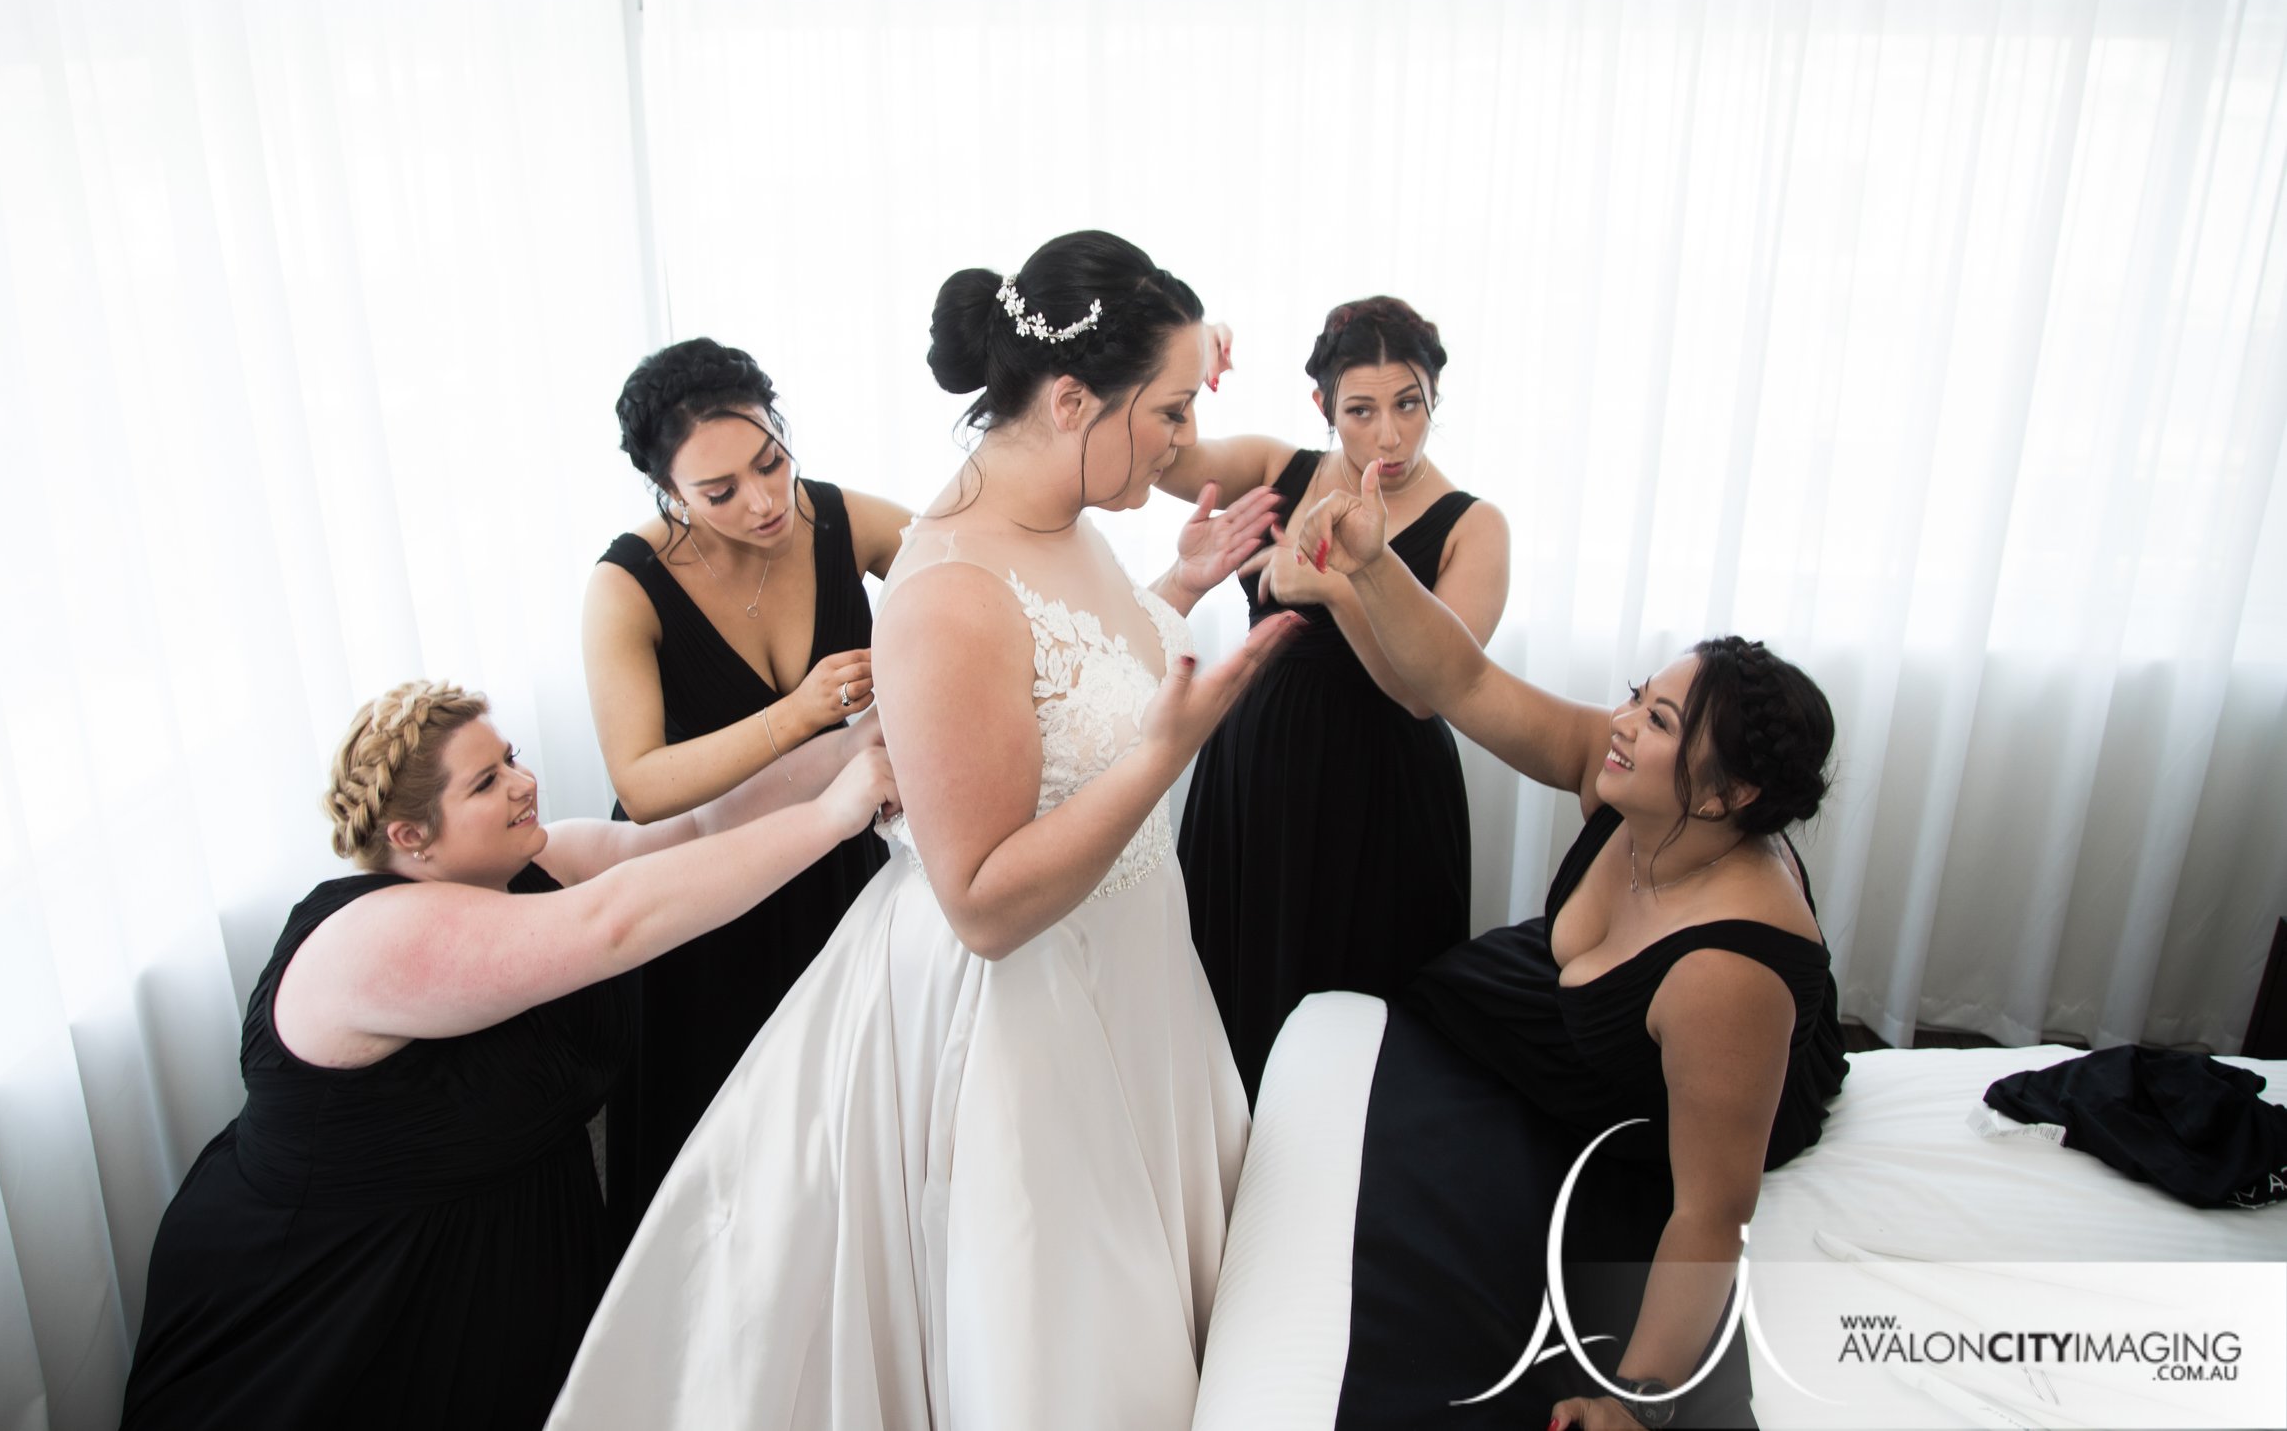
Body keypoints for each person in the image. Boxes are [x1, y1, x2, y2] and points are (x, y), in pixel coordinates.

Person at [548, 230, 1295, 1431]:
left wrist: (1176, 588)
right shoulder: (948, 587)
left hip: (1131, 969)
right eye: (1164, 410)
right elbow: (986, 905)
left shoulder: (1067, 511)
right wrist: (1169, 748)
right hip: (1028, 1016)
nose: (1180, 440)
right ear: (1069, 399)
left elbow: (1067, 693)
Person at [120, 680, 896, 1431]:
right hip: (336, 1298)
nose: (526, 783)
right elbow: (610, 925)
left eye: (513, 758)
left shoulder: (535, 864)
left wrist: (855, 747)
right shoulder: (372, 938)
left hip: (516, 1265)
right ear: (409, 836)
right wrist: (833, 817)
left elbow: (692, 833)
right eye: (488, 781)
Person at [1280, 464, 1846, 1429]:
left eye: (1658, 722)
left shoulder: (1728, 976)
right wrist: (1372, 565)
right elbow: (1462, 678)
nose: (1621, 724)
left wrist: (1643, 1398)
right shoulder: (1626, 777)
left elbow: (1712, 1211)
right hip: (1575, 1014)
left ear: (1726, 797)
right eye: (1640, 696)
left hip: (1704, 1083)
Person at [583, 337, 913, 1237]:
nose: (764, 502)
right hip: (706, 888)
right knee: (722, 1153)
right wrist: (801, 713)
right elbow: (642, 783)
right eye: (719, 493)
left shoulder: (845, 520)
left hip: (835, 861)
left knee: (842, 1135)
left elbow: (969, 588)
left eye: (771, 461)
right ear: (667, 492)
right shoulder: (627, 586)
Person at [1156, 294, 1509, 1098]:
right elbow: (1157, 455)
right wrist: (1190, 359)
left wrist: (1342, 590)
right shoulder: (1279, 469)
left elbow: (1425, 696)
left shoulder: (1472, 527)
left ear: (1433, 398)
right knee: (1236, 994)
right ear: (1323, 405)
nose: (1389, 434)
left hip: (1378, 794)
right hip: (1256, 773)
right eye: (1361, 409)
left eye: (1409, 405)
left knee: (1358, 1028)